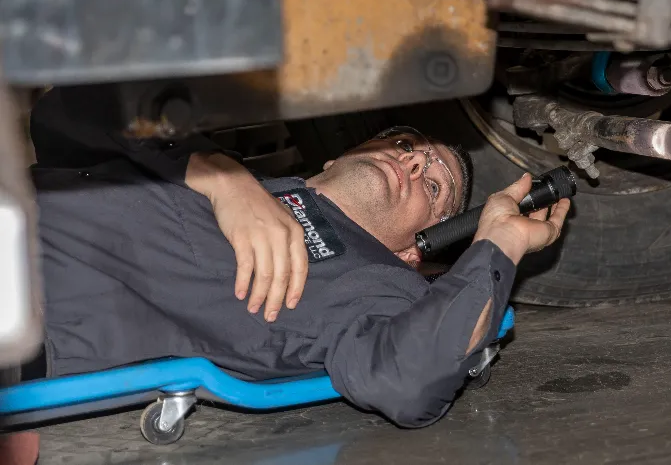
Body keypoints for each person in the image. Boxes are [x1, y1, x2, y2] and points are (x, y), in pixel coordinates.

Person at [23, 85, 570, 428]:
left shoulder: (377, 285)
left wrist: (500, 240)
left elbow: (408, 380)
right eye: (407, 147)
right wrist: (218, 172)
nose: (414, 164)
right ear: (335, 155)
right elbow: (59, 111)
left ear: (413, 252)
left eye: (435, 188)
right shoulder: (230, 170)